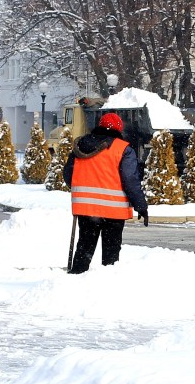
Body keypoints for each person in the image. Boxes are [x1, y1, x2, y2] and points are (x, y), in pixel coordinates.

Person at [63, 112, 148, 274]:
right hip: (113, 211)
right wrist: (141, 205)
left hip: (86, 208)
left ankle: (75, 279)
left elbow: (69, 175)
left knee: (85, 246)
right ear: (119, 129)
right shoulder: (123, 149)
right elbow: (130, 179)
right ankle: (107, 285)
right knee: (110, 253)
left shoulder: (80, 146)